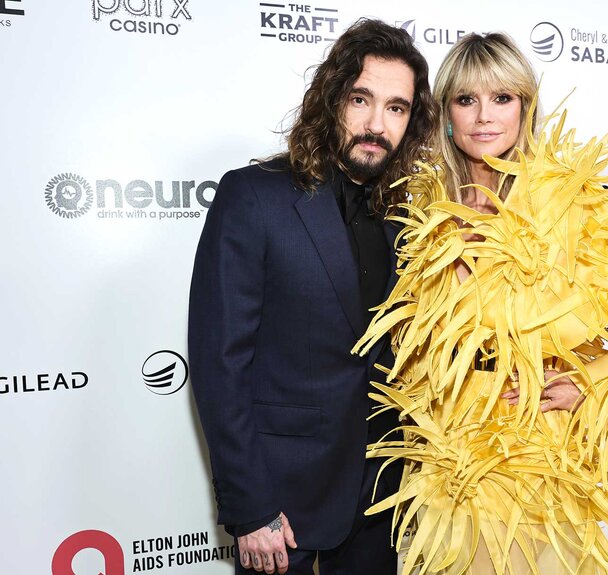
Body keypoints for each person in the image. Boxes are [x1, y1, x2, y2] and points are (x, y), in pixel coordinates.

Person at [354, 33, 608, 575]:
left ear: (525, 107)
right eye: (467, 99)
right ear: (446, 113)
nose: (484, 117)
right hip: (442, 457)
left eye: (502, 98)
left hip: (534, 453)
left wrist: (594, 380)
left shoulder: (573, 202)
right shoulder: (418, 208)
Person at [188, 18, 437, 575]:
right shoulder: (255, 197)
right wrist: (250, 507)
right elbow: (218, 364)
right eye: (361, 99)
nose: (377, 124)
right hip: (283, 505)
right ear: (331, 100)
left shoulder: (408, 216)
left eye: (396, 108)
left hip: (384, 499)